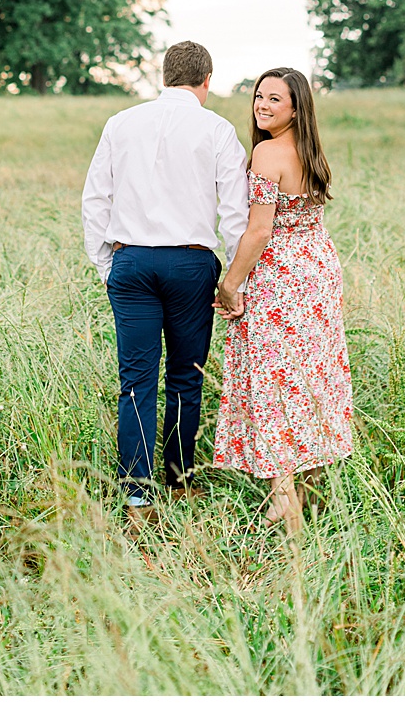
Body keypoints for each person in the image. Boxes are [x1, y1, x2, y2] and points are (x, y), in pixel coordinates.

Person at [81, 40, 248, 520]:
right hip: (190, 265)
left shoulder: (121, 123)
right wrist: (233, 279)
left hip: (130, 263)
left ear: (164, 77)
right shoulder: (216, 129)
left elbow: (96, 200)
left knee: (135, 381)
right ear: (207, 82)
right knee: (184, 377)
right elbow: (236, 214)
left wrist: (106, 265)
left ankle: (136, 495)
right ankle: (178, 481)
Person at [212, 67, 355, 533]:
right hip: (317, 268)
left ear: (296, 107)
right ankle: (310, 486)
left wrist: (230, 283)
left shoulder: (268, 152)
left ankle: (283, 497)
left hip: (281, 276)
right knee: (312, 374)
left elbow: (259, 231)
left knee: (274, 379)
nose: (263, 105)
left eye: (275, 99)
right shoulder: (311, 150)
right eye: (259, 96)